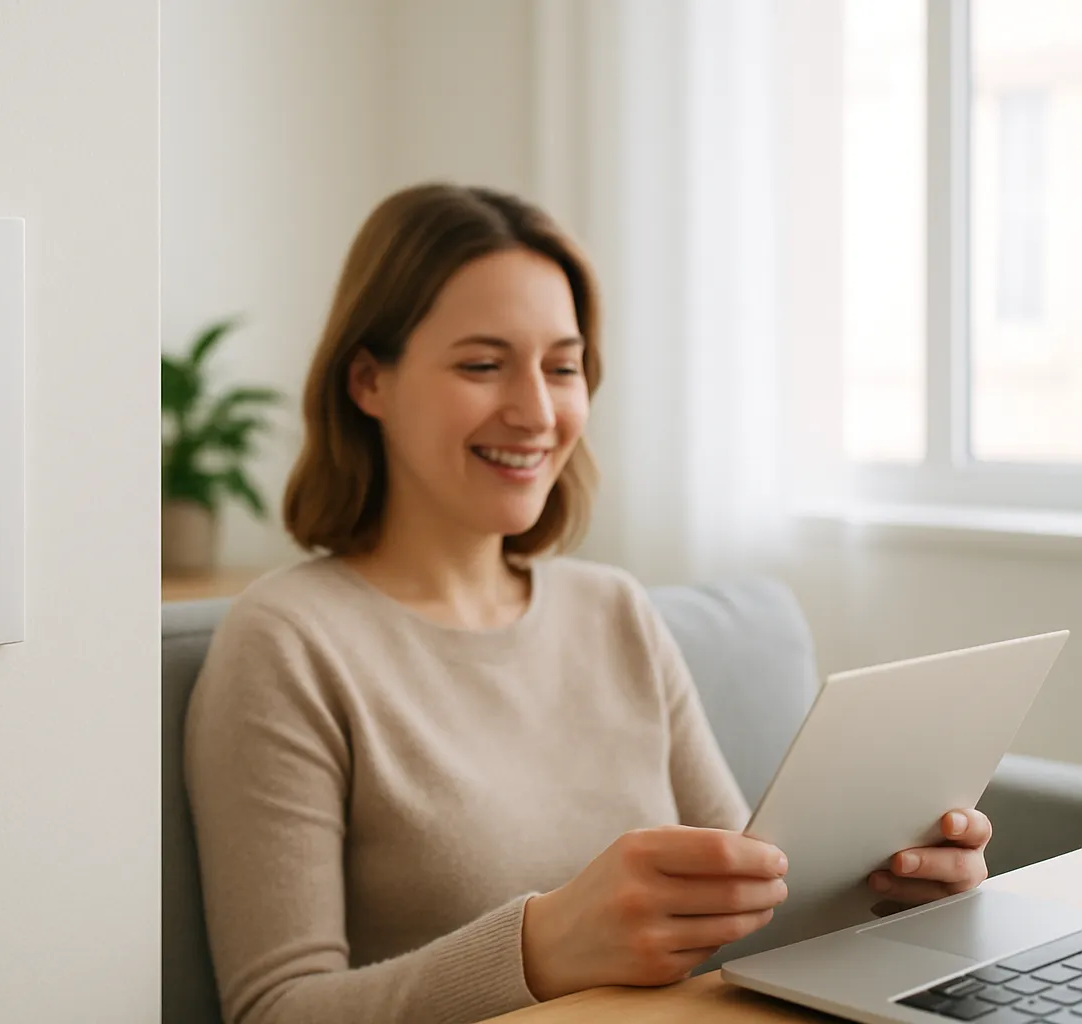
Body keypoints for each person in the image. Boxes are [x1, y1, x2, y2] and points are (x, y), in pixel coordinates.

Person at [182, 182, 992, 1024]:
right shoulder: (288, 641)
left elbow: (753, 904)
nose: (536, 412)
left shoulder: (614, 610)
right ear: (368, 381)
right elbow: (275, 1009)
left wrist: (895, 897)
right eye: (482, 364)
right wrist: (540, 948)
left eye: (563, 367)